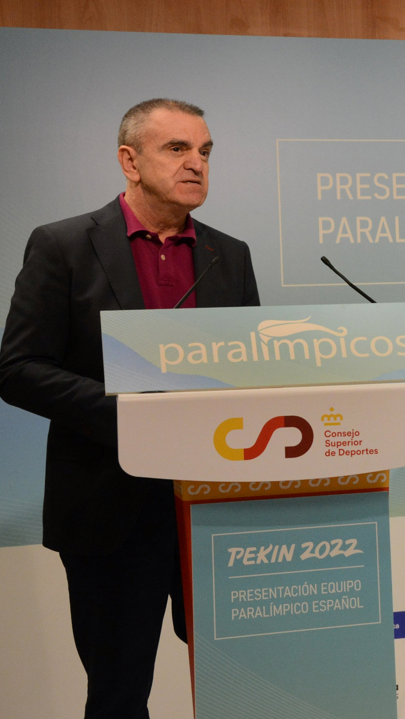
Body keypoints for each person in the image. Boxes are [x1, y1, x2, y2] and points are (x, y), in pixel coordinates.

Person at [0, 99, 260, 718]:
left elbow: (250, 374)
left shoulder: (229, 254)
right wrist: (133, 412)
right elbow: (18, 368)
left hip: (213, 504)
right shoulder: (64, 245)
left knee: (243, 683)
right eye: (177, 149)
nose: (196, 163)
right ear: (129, 160)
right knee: (118, 694)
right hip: (109, 506)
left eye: (205, 151)